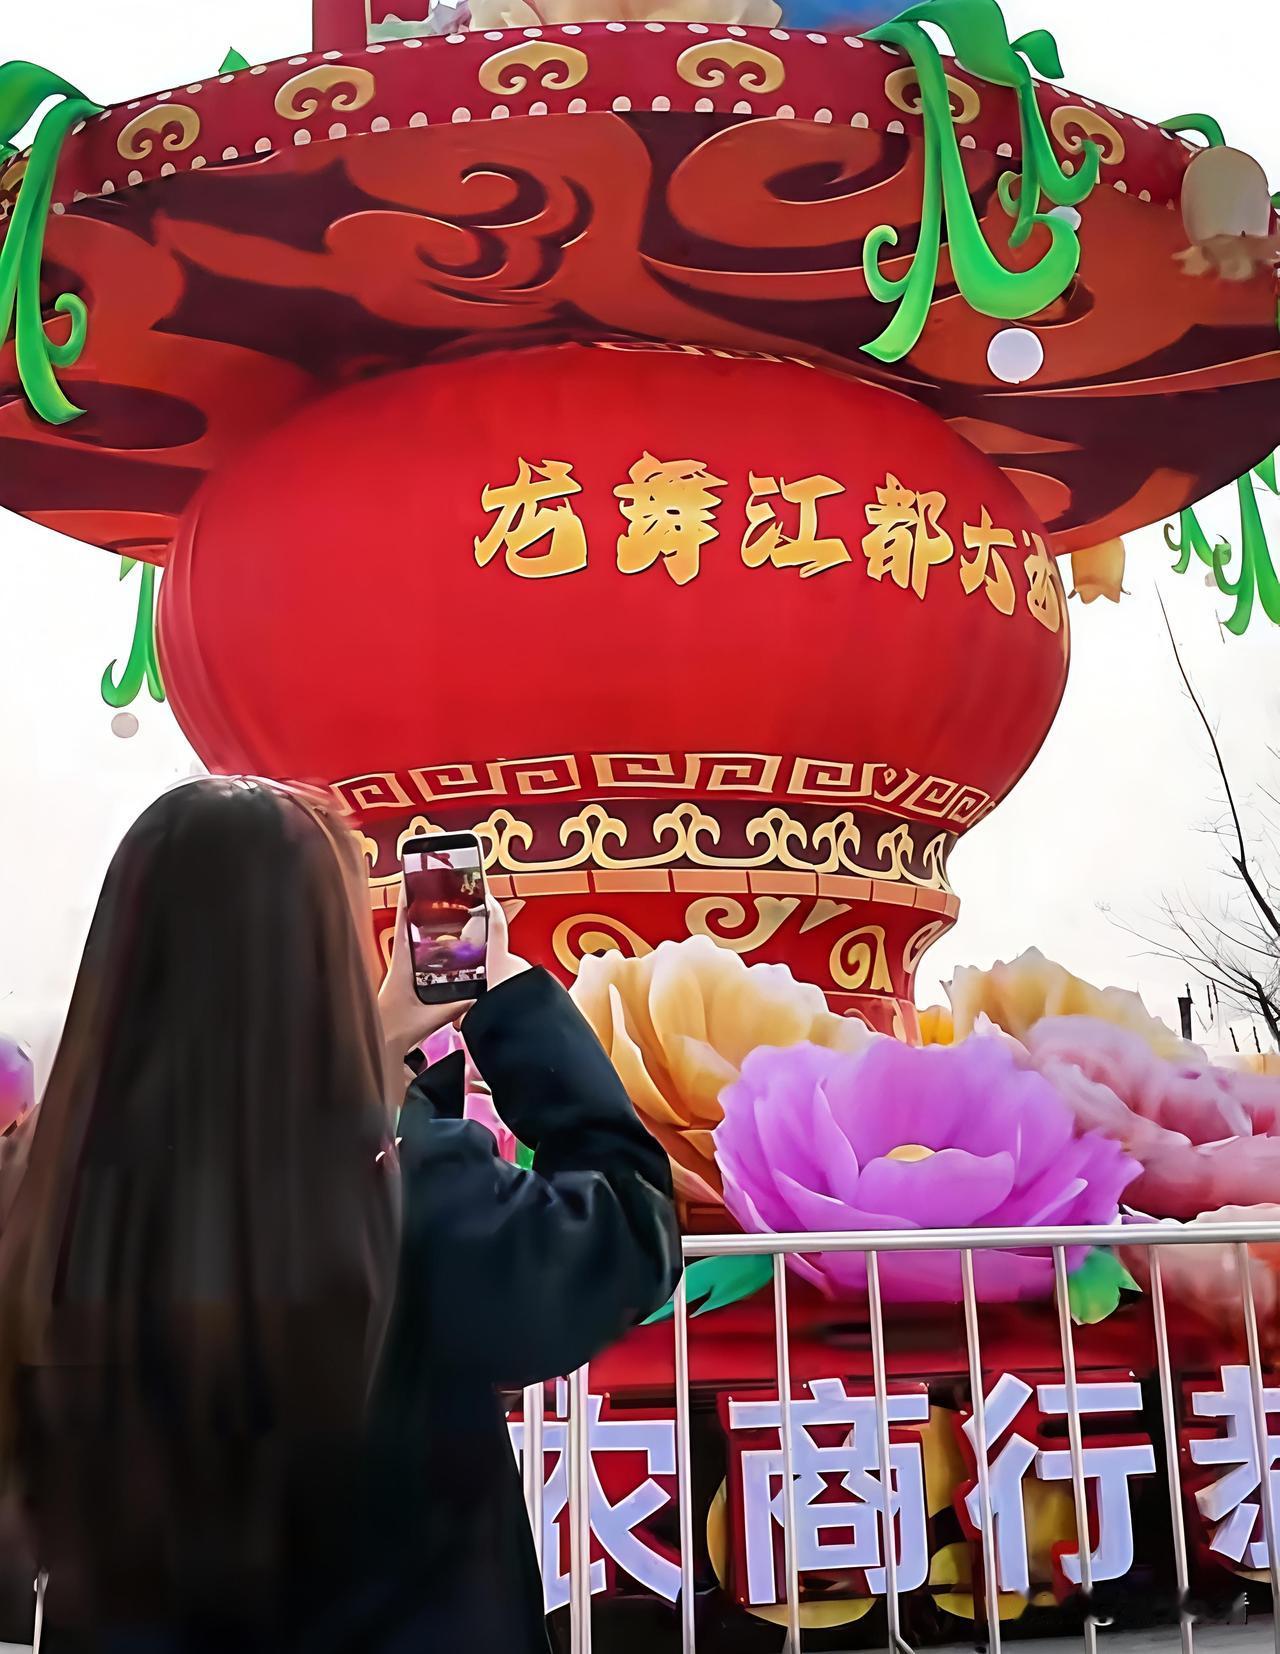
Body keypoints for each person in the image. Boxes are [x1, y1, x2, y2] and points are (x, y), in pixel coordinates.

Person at [0, 777, 681, 1652]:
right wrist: (512, 1006)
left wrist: (381, 1040)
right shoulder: (407, 1189)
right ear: (318, 958)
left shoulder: (38, 1185)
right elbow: (624, 1232)